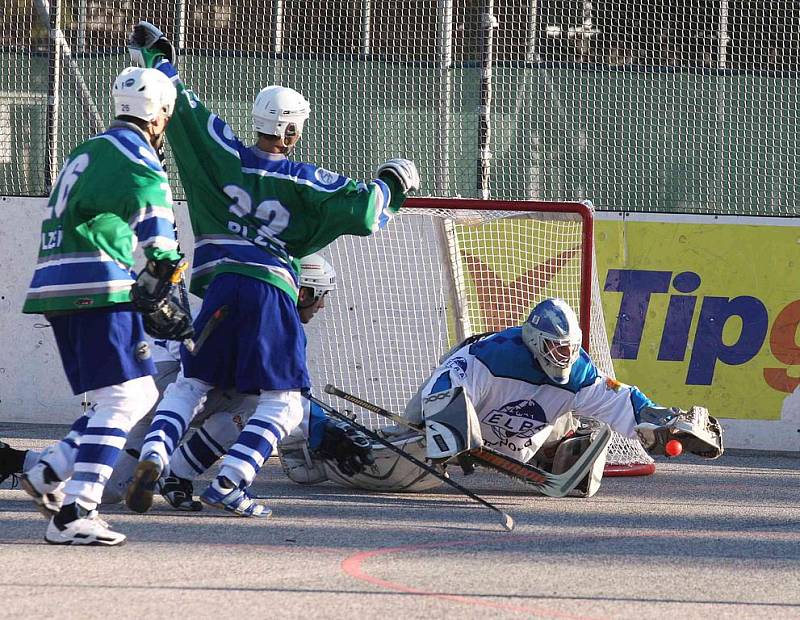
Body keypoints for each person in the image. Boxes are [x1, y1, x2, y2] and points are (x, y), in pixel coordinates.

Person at [124, 21, 418, 519]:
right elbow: (368, 210)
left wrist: (158, 58)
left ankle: (159, 457)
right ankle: (232, 481)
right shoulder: (306, 180)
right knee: (285, 403)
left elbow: (185, 106)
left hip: (218, 291)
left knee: (193, 386)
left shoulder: (223, 154)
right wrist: (393, 181)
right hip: (268, 291)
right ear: (291, 129)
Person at [2, 255, 373, 512]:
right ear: (303, 292)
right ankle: (183, 474)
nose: (321, 307)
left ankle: (19, 461)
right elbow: (284, 397)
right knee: (254, 404)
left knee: (112, 488)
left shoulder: (239, 296)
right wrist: (323, 430)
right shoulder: (275, 318)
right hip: (164, 385)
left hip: (162, 381)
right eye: (319, 297)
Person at [282, 297, 724, 496]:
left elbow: (622, 400)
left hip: (513, 434)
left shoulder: (578, 372)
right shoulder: (490, 356)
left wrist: (663, 424)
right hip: (457, 415)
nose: (563, 356)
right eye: (555, 348)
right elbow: (444, 389)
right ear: (534, 341)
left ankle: (548, 450)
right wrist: (456, 431)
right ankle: (311, 428)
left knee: (581, 450)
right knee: (395, 471)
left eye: (569, 348)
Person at [19, 66, 192, 546]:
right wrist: (163, 267)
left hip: (56, 287)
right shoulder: (137, 155)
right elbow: (151, 204)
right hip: (97, 286)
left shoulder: (87, 149)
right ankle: (75, 510)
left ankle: (50, 470)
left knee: (126, 397)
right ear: (158, 114)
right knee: (127, 398)